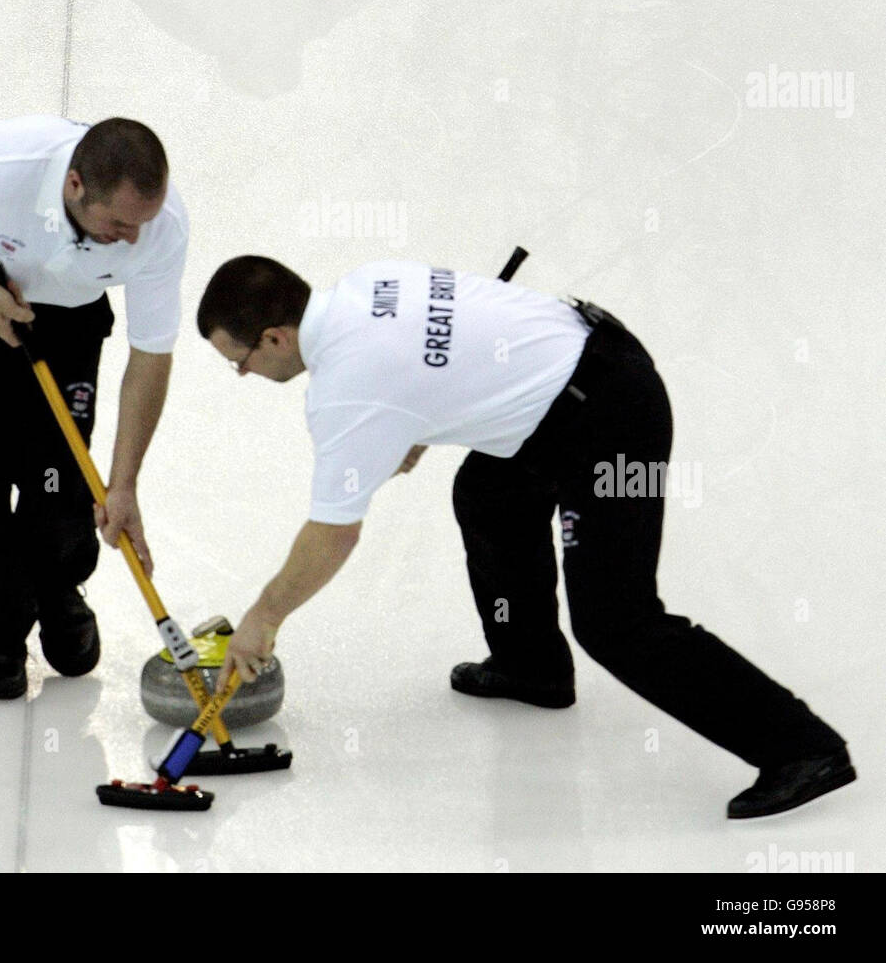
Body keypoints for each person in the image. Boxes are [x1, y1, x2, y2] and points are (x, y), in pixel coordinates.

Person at [197, 255, 855, 819]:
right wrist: (419, 420)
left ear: (277, 338)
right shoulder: (369, 283)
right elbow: (450, 341)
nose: (245, 375)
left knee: (615, 621)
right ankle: (531, 665)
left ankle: (801, 748)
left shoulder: (342, 392)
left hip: (609, 419)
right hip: (584, 370)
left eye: (241, 361)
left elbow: (332, 535)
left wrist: (264, 616)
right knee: (488, 493)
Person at [0, 115, 188, 699]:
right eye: (119, 224)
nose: (134, 238)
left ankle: (56, 589)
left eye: (142, 224)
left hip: (65, 315)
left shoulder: (160, 227)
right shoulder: (0, 166)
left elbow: (151, 357)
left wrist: (124, 485)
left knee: (57, 473)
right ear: (74, 185)